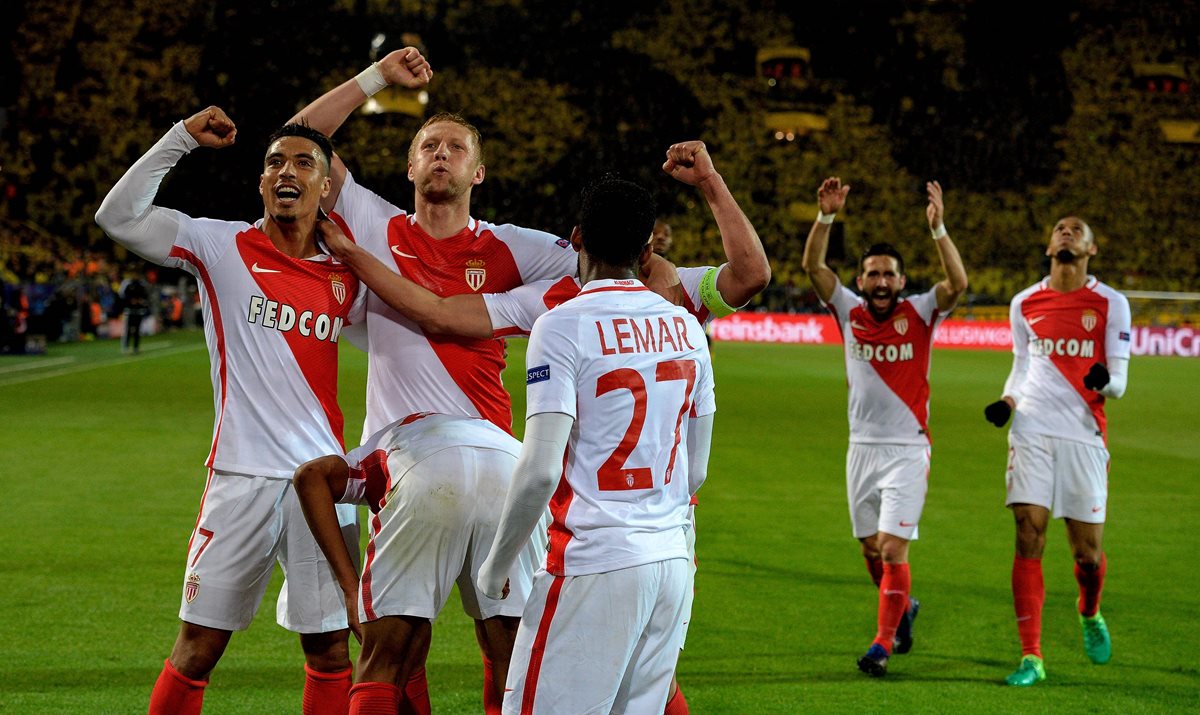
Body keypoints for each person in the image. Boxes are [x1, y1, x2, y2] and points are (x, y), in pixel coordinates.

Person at [319, 139, 768, 714]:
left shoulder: (553, 312)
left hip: (590, 550)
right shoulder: (680, 316)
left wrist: (349, 252)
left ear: (576, 239)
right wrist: (708, 182)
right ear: (648, 246)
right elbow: (751, 277)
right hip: (672, 551)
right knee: (644, 695)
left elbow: (439, 314)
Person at [290, 48, 581, 714]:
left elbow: (600, 262)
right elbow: (301, 141)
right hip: (504, 465)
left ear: (478, 171)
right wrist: (374, 79)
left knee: (388, 649)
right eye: (429, 145)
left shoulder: (514, 246)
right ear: (412, 166)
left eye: (456, 146)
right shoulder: (373, 218)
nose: (442, 154)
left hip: (427, 457)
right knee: (509, 653)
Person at [95, 106, 365, 715]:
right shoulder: (220, 246)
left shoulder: (349, 276)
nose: (286, 172)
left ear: (326, 187)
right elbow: (116, 217)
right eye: (274, 163)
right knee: (197, 646)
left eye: (304, 162)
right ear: (262, 183)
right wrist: (179, 139)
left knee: (330, 651)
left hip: (322, 483)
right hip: (241, 479)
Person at [473, 175, 715, 714]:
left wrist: (495, 566)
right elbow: (695, 470)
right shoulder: (687, 328)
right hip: (672, 564)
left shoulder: (562, 326)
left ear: (577, 238)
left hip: (593, 562)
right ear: (648, 246)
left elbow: (539, 470)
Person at [801, 177, 968, 677]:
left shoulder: (920, 312)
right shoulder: (848, 310)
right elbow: (813, 266)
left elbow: (957, 284)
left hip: (907, 449)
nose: (879, 282)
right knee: (871, 548)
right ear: (862, 278)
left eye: (888, 275)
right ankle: (904, 607)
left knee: (894, 547)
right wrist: (826, 217)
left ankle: (882, 642)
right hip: (861, 449)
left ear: (900, 281)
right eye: (871, 273)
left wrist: (939, 230)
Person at [293, 412, 527, 714]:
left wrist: (351, 590)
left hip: (425, 473)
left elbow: (310, 476)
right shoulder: (488, 430)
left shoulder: (385, 443)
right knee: (514, 658)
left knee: (385, 659)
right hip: (515, 470)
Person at [983, 216, 1131, 686]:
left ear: (1092, 248)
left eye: (1077, 229)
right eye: (1060, 228)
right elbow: (1022, 366)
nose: (1066, 232)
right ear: (1049, 244)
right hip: (1032, 428)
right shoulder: (1024, 302)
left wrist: (1104, 380)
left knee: (1087, 555)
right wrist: (1009, 400)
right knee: (1029, 533)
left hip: (1083, 432)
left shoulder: (1112, 303)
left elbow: (1121, 381)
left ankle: (1089, 610)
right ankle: (1032, 657)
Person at [118, 272, 151, 353]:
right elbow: (122, 296)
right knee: (128, 330)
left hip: (139, 311)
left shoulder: (141, 285)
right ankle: (125, 347)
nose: (135, 275)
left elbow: (145, 297)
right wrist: (130, 302)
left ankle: (136, 347)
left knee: (137, 330)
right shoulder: (127, 284)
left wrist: (140, 301)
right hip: (129, 311)